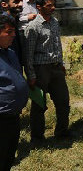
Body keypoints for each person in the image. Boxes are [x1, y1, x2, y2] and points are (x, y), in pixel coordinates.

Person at [24, 0, 70, 141]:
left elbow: (58, 45)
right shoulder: (33, 27)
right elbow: (28, 54)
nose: (53, 7)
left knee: (63, 102)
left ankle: (62, 133)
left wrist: (61, 64)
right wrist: (31, 75)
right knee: (39, 104)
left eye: (53, 4)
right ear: (39, 7)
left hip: (56, 68)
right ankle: (37, 137)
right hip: (41, 70)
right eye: (49, 5)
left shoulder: (55, 22)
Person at [0, 14, 28, 170]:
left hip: (14, 117)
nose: (13, 36)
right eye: (9, 32)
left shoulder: (10, 52)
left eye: (14, 31)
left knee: (9, 156)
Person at [1, 0, 24, 65]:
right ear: (4, 4)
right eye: (16, 2)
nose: (20, 4)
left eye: (21, 1)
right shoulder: (3, 22)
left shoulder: (16, 20)